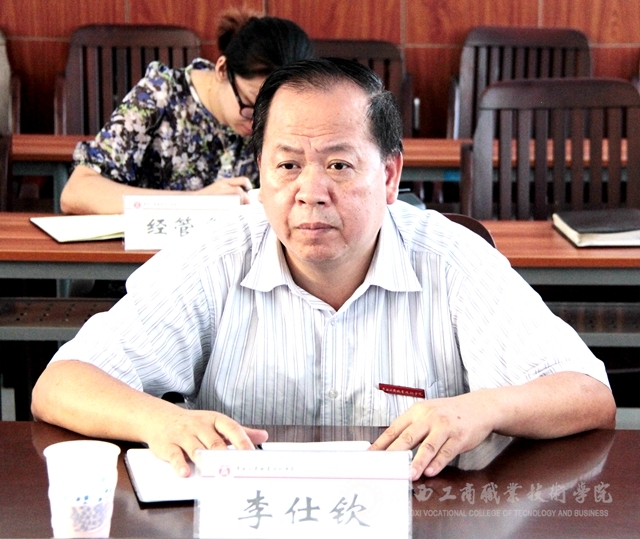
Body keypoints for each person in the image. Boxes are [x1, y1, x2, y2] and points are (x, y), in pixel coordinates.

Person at [32, 58, 616, 481]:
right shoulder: (215, 255)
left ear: (389, 176)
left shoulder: (452, 258)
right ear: (260, 171)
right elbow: (62, 383)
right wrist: (160, 421)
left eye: (339, 165)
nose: (310, 192)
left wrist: (484, 408)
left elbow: (587, 393)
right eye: (287, 165)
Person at [59, 10, 313, 215]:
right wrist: (195, 201)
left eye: (273, 113)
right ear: (222, 70)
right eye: (250, 106)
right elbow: (77, 192)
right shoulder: (161, 95)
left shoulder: (293, 115)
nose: (259, 124)